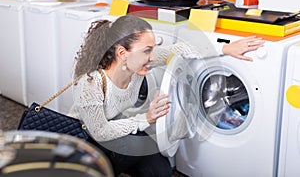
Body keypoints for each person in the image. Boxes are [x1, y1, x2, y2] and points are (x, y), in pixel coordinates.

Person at [70, 15, 264, 176]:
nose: (153, 56)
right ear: (122, 53)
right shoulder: (91, 84)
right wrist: (145, 118)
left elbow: (181, 49)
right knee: (134, 150)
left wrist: (225, 48)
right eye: (147, 50)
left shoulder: (139, 65)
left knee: (161, 171)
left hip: (120, 132)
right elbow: (101, 131)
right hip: (85, 139)